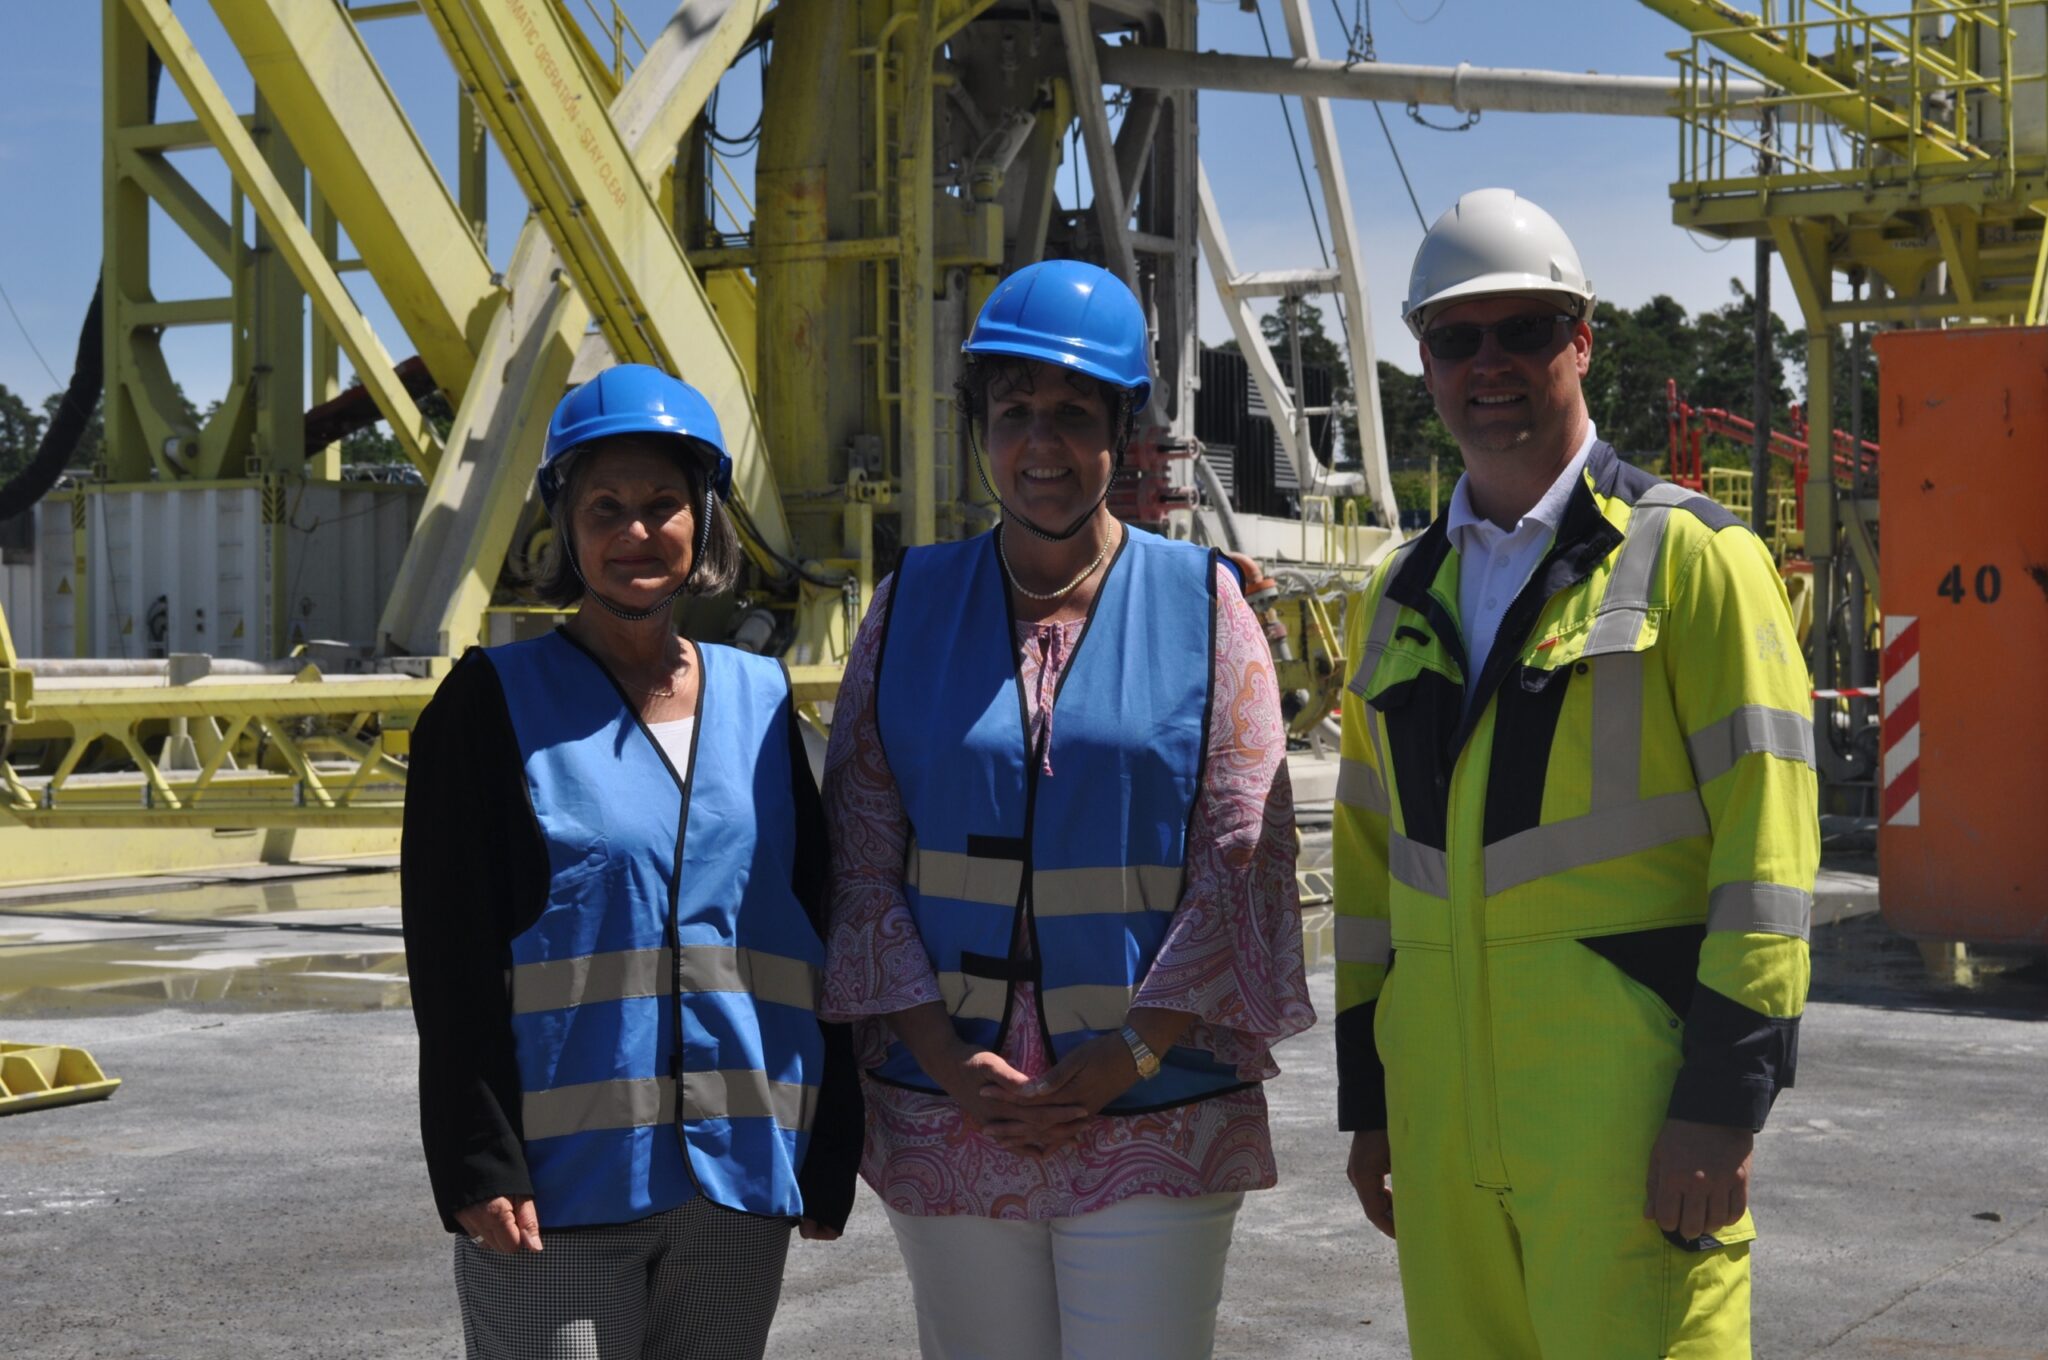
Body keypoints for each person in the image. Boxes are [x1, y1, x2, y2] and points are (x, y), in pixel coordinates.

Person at [1332, 187, 1818, 1359]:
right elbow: (1364, 877)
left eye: (1524, 330)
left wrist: (1721, 1103)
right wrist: (1372, 1102)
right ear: (1422, 360)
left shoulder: (1692, 558)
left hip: (1627, 1127)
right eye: (1455, 337)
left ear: (1582, 340)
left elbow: (1767, 859)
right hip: (1442, 1131)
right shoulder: (1391, 596)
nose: (1487, 363)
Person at [820, 259, 1314, 1360]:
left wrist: (1128, 1053)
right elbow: (859, 855)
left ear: (1122, 434)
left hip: (1154, 1104)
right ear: (979, 428)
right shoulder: (906, 607)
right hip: (952, 1102)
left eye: (1073, 416)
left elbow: (1244, 856)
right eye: (1013, 414)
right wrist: (949, 1063)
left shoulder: (1206, 607)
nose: (1039, 445)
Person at [400, 364, 862, 1360]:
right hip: (557, 1194)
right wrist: (477, 1158)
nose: (635, 531)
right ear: (564, 525)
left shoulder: (761, 704)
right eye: (604, 507)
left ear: (705, 518)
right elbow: (448, 955)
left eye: (662, 504)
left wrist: (829, 1145)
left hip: (735, 1183)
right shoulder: (488, 706)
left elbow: (813, 928)